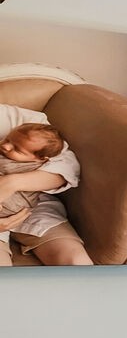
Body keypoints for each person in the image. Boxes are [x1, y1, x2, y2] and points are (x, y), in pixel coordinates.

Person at [0, 109, 88, 266]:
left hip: (33, 204)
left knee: (76, 262)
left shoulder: (23, 121)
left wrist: (12, 182)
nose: (6, 146)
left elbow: (66, 164)